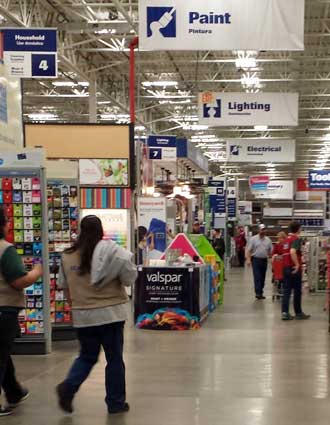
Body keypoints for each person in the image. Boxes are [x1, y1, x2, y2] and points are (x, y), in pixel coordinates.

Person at [56, 215, 137, 415]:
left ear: (81, 231)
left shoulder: (67, 256)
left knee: (86, 356)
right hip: (111, 315)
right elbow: (128, 280)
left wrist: (76, 305)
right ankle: (115, 403)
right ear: (101, 230)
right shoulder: (111, 253)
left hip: (83, 315)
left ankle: (69, 386)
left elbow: (63, 286)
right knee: (114, 359)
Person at [0, 207, 43, 416]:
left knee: (2, 353)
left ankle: (14, 392)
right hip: (3, 310)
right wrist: (36, 272)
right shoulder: (5, 249)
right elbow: (19, 281)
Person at [281, 221, 310, 321]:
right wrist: (297, 264)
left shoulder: (286, 240)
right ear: (298, 229)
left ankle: (285, 313)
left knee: (286, 291)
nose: (301, 230)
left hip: (285, 268)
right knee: (297, 291)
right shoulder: (296, 239)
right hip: (294, 268)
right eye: (300, 228)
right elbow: (292, 251)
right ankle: (298, 313)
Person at [246, 224, 273, 300]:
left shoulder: (268, 240)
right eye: (261, 229)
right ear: (258, 230)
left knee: (262, 277)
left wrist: (272, 256)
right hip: (256, 260)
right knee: (257, 276)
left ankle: (260, 292)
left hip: (264, 260)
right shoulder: (253, 239)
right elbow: (249, 250)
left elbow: (271, 250)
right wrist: (248, 259)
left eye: (264, 229)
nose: (263, 231)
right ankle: (257, 293)